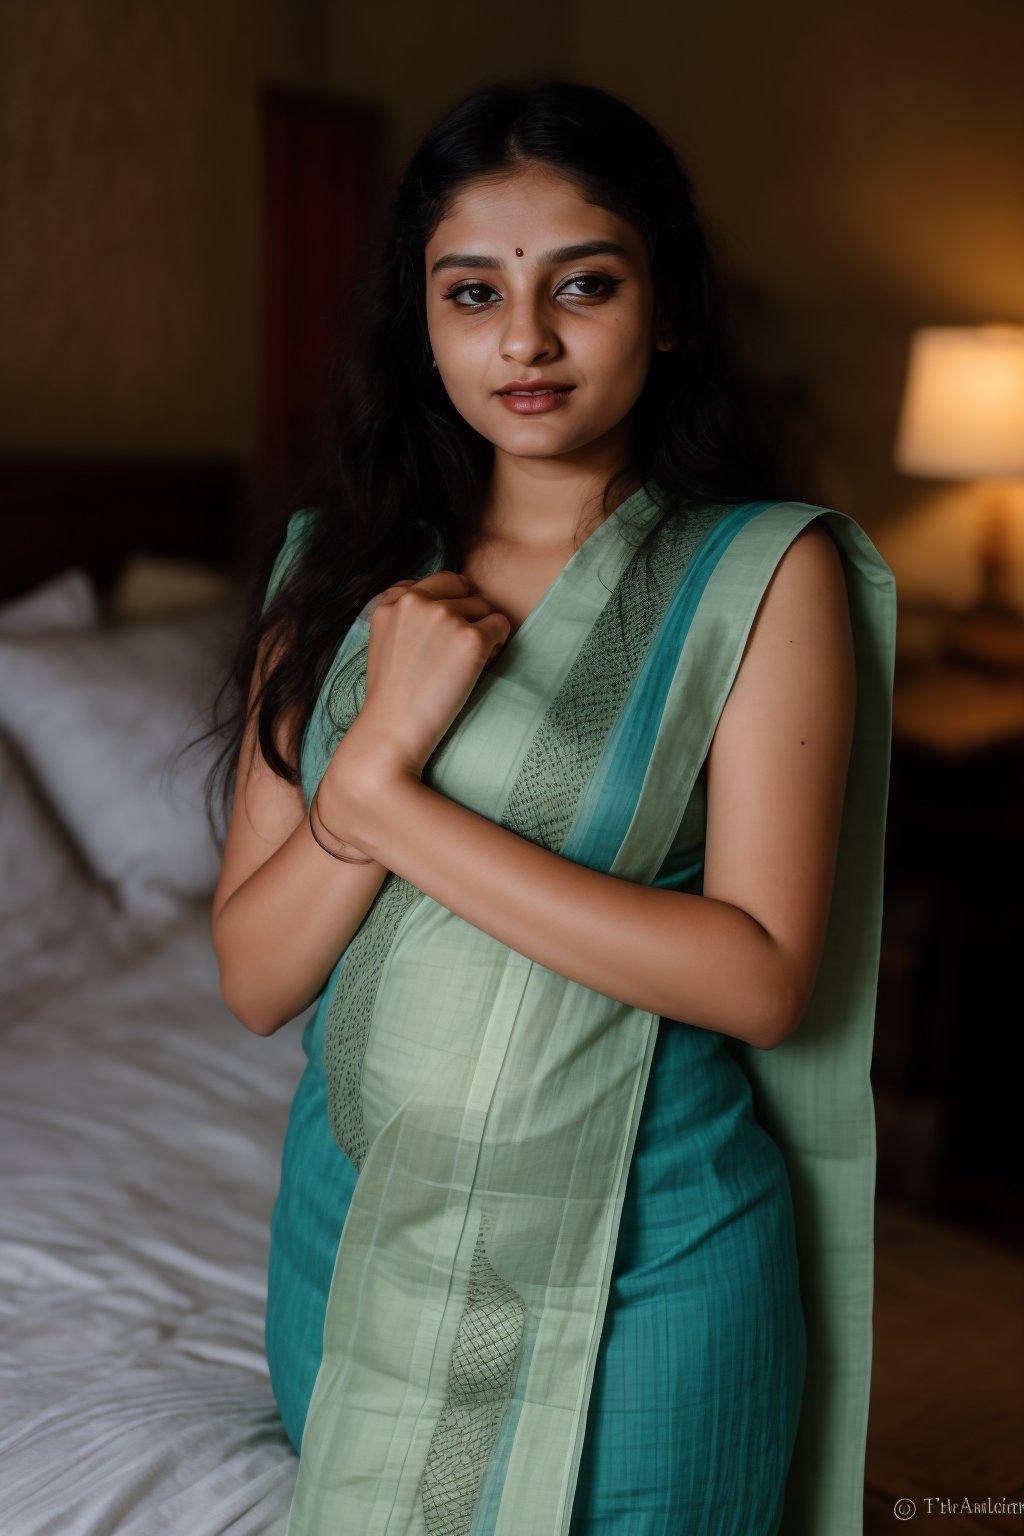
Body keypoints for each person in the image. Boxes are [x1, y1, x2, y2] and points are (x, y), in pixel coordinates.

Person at [207, 81, 895, 1536]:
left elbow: (762, 977)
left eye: (583, 283)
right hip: (355, 1238)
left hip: (651, 1271)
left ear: (668, 310)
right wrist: (380, 733)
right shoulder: (331, 576)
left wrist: (387, 797)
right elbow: (259, 977)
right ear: (425, 326)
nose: (524, 340)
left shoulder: (765, 577)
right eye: (473, 292)